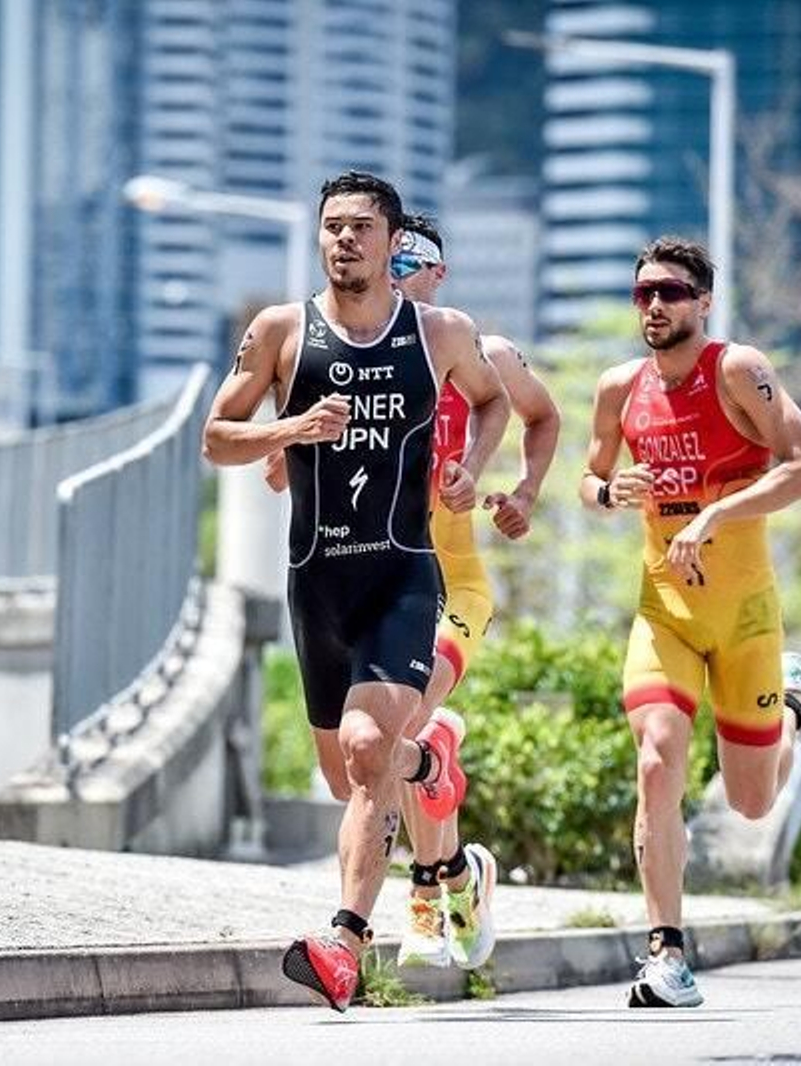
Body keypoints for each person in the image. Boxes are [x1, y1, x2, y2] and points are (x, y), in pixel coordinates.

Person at [202, 171, 508, 1013]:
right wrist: (291, 428)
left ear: (391, 240)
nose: (343, 241)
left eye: (360, 228)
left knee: (369, 750)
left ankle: (344, 941)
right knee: (349, 778)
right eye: (331, 227)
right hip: (317, 585)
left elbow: (493, 404)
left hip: (403, 573)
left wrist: (472, 471)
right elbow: (216, 436)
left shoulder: (439, 333)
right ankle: (429, 758)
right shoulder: (280, 332)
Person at [266, 213, 561, 972]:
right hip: (362, 580)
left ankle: (419, 896)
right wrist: (295, 446)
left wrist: (519, 490)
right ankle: (456, 858)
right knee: (355, 773)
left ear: (441, 272)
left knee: (386, 742)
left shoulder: (474, 350)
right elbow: (280, 471)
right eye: (389, 260)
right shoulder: (353, 357)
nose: (398, 272)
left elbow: (541, 414)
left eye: (413, 260)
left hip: (449, 584)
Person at [580, 235, 801, 1008]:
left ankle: (795, 707)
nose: (654, 305)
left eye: (671, 291)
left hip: (747, 615)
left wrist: (715, 515)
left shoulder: (739, 371)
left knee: (752, 801)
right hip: (666, 611)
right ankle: (665, 954)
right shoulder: (620, 388)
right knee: (658, 759)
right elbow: (588, 482)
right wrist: (608, 493)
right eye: (643, 293)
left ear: (703, 301)